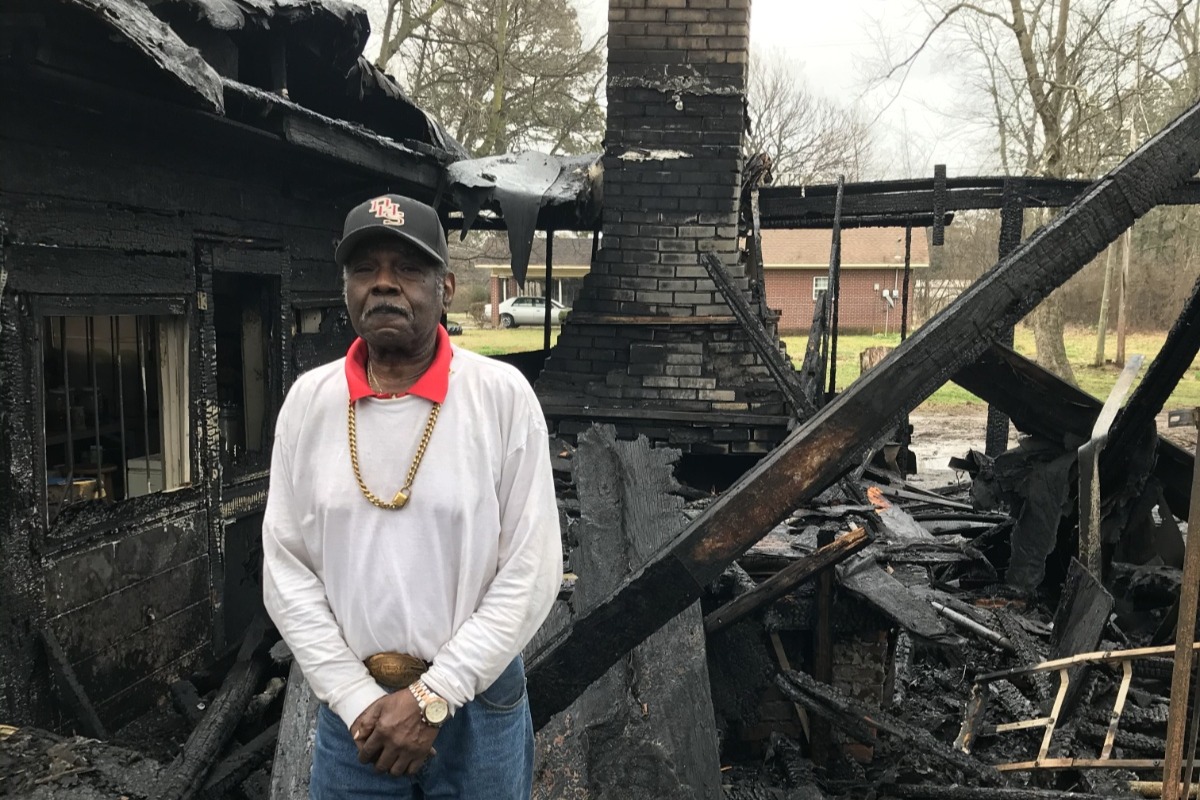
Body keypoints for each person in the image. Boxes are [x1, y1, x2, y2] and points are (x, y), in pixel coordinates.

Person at [262, 193, 563, 798]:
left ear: (446, 287)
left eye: (407, 269)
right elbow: (286, 569)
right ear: (346, 288)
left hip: (477, 707)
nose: (384, 285)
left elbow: (531, 568)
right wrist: (352, 697)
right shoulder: (309, 404)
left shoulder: (500, 398)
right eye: (365, 270)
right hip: (359, 718)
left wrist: (434, 694)